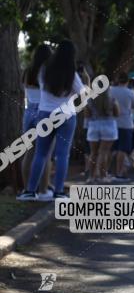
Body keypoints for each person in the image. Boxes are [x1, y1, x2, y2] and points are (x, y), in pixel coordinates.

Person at [18, 41, 85, 201]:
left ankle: (30, 191)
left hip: (45, 113)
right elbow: (83, 95)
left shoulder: (43, 71)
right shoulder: (72, 74)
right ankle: (59, 192)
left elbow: (42, 89)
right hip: (66, 115)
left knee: (40, 153)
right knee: (62, 155)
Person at [20, 44, 54, 199]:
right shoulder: (47, 72)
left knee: (29, 152)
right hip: (44, 111)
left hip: (28, 111)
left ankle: (27, 189)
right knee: (45, 153)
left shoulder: (28, 71)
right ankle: (43, 190)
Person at [84, 84, 119, 183]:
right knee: (104, 152)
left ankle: (91, 176)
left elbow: (87, 115)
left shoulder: (90, 99)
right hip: (109, 125)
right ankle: (102, 176)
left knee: (93, 153)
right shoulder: (112, 99)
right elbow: (117, 113)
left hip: (94, 125)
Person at [109, 72, 134, 181]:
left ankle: (107, 172)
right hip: (126, 123)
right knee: (122, 149)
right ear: (127, 81)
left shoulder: (111, 90)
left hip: (112, 121)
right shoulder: (130, 92)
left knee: (110, 149)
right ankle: (119, 173)